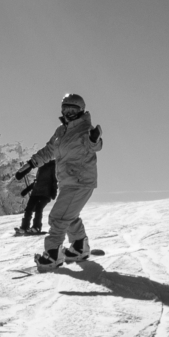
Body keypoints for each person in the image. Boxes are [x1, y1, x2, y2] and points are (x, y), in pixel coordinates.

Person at [22, 91, 103, 268]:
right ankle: (79, 247)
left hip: (80, 180)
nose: (68, 114)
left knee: (58, 217)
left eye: (72, 111)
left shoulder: (85, 130)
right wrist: (31, 163)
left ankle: (52, 255)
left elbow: (95, 145)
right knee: (68, 216)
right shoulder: (61, 132)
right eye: (65, 110)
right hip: (67, 181)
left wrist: (94, 139)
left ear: (81, 111)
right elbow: (49, 150)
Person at [16, 157, 57, 235]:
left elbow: (55, 180)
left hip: (45, 193)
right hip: (36, 192)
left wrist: (53, 191)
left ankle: (36, 226)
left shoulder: (53, 166)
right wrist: (26, 190)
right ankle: (24, 227)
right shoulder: (41, 166)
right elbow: (37, 181)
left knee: (39, 208)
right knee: (28, 209)